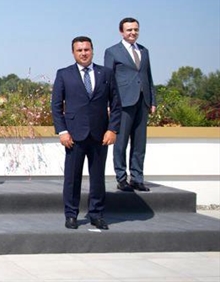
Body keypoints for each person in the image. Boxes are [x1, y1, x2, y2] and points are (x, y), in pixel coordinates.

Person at [52, 36, 122, 230]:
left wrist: (112, 129)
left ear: (92, 50)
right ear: (73, 52)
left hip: (100, 136)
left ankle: (96, 214)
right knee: (72, 178)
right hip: (74, 136)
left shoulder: (106, 74)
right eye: (79, 50)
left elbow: (116, 105)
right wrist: (62, 131)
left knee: (98, 177)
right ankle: (71, 215)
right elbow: (56, 106)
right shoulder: (64, 74)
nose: (83, 53)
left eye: (87, 49)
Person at [104, 17, 156, 192]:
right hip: (123, 102)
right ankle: (121, 178)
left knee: (140, 143)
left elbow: (148, 77)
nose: (133, 33)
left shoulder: (144, 51)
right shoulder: (112, 52)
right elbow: (107, 80)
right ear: (121, 32)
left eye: (135, 29)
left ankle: (137, 177)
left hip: (143, 101)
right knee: (121, 143)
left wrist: (153, 100)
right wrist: (109, 103)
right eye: (129, 30)